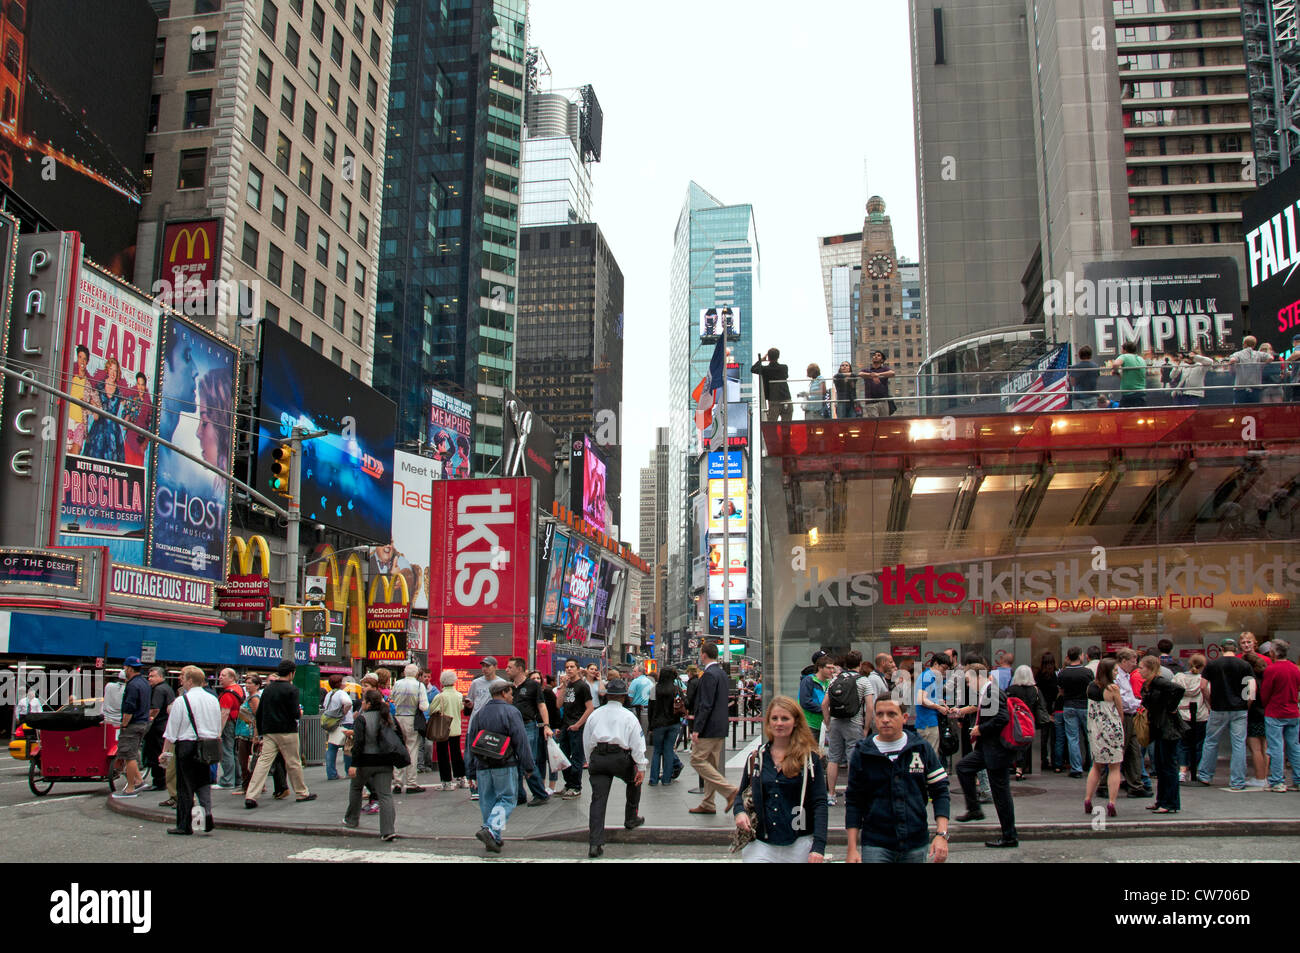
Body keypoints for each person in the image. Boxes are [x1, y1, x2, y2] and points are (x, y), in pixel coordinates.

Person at [844, 696, 950, 863]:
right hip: (876, 843)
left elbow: (940, 790)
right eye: (880, 714)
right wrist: (852, 848)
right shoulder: (862, 753)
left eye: (892, 714)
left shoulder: (920, 748)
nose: (885, 720)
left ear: (904, 717)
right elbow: (853, 801)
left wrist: (941, 834)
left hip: (915, 842)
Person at [733, 696, 828, 863]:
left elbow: (820, 803)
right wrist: (739, 812)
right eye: (774, 718)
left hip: (798, 843)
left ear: (796, 722)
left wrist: (818, 847)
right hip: (761, 844)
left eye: (785, 718)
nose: (779, 723)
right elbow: (741, 794)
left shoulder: (810, 760)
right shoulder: (756, 758)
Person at [465, 679, 534, 854]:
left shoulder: (479, 713)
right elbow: (521, 740)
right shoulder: (511, 712)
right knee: (507, 799)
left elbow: (470, 743)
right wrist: (528, 765)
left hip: (482, 764)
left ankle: (493, 836)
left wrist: (470, 770)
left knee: (487, 800)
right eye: (511, 693)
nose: (512, 697)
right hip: (505, 762)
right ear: (503, 693)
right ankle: (490, 830)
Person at [582, 678, 647, 858]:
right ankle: (631, 817)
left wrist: (591, 761)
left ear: (607, 695)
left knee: (598, 800)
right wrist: (641, 767)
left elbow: (587, 741)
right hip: (620, 758)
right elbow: (637, 744)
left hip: (598, 758)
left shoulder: (595, 714)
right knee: (634, 781)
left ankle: (595, 844)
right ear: (624, 697)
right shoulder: (629, 716)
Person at [954, 671, 1018, 848]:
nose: (968, 684)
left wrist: (980, 729)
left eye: (968, 680)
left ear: (977, 677)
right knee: (963, 767)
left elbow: (1002, 718)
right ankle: (974, 810)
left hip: (997, 751)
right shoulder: (988, 692)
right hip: (988, 750)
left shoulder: (992, 692)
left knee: (1001, 794)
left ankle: (1009, 836)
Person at [159, 665, 222, 835]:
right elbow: (217, 726)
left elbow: (172, 731)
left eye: (182, 677)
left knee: (185, 786)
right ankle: (206, 816)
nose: (180, 680)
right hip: (207, 745)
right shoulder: (213, 699)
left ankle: (184, 825)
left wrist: (165, 752)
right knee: (203, 782)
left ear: (189, 680)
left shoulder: (182, 701)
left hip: (187, 745)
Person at [244, 660, 315, 808]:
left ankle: (251, 795)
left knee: (263, 763)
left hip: (270, 731)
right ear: (291, 673)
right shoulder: (292, 689)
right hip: (288, 730)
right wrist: (300, 712)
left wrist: (260, 732)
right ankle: (301, 793)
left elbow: (260, 712)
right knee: (293, 762)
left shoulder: (268, 689)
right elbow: (295, 713)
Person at [342, 688, 400, 841]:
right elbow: (398, 737)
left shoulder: (362, 718)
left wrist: (354, 764)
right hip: (385, 761)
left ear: (368, 703)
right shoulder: (388, 717)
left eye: (364, 700)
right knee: (385, 795)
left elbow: (359, 743)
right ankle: (388, 830)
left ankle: (352, 819)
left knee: (356, 787)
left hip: (365, 761)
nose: (362, 703)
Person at [1196, 638, 1253, 791]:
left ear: (1221, 649)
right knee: (1239, 744)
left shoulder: (1213, 664)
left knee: (1211, 741)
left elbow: (1202, 686)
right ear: (1235, 649)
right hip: (1239, 709)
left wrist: (1210, 702)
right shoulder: (1245, 665)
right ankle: (1237, 781)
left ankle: (1205, 776)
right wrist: (1246, 704)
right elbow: (1251, 689)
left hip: (1218, 708)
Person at [689, 642, 738, 815]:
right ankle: (708, 803)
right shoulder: (722, 674)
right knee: (711, 764)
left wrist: (697, 728)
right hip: (720, 726)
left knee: (696, 759)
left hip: (709, 727)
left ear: (703, 655)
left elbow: (706, 704)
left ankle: (730, 790)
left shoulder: (709, 675)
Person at [821, 650, 871, 805]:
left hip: (836, 722)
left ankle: (831, 794)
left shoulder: (835, 680)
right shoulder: (863, 681)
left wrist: (828, 722)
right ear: (860, 664)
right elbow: (870, 707)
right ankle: (852, 793)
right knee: (853, 758)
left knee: (834, 758)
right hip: (854, 722)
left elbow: (824, 704)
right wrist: (866, 727)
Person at [1139, 656, 1186, 815]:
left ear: (1150, 668)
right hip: (1160, 727)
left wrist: (1171, 707)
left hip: (1167, 728)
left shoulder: (1159, 682)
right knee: (1161, 765)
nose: (1139, 670)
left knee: (1168, 766)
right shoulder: (1151, 684)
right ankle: (1162, 800)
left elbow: (1179, 689)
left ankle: (1169, 802)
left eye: (1142, 667)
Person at [506, 656, 552, 806]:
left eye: (510, 667)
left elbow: (541, 706)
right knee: (514, 761)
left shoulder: (532, 685)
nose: (507, 670)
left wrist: (546, 725)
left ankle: (540, 793)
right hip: (512, 727)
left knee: (528, 760)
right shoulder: (509, 688)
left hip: (528, 726)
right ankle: (520, 795)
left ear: (519, 669)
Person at [1083, 659, 1124, 819]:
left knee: (1096, 766)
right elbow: (1120, 711)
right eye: (1114, 670)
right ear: (1108, 671)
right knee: (1114, 767)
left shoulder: (1090, 687)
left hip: (1095, 730)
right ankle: (1112, 802)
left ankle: (1087, 799)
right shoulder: (1113, 688)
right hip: (1111, 730)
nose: (1117, 673)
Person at [1260, 640, 1300, 792]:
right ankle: (1298, 779)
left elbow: (1265, 693)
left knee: (1276, 748)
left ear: (1273, 653)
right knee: (1294, 747)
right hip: (1292, 711)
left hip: (1275, 712)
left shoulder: (1271, 670)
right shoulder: (1295, 669)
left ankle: (1278, 781)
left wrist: (1266, 705)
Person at [111, 657, 152, 798]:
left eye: (125, 668)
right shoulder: (145, 683)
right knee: (132, 753)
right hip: (143, 722)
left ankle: (130, 788)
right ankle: (139, 781)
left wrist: (124, 724)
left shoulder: (132, 685)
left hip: (133, 724)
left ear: (128, 668)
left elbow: (129, 707)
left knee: (129, 756)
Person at [1112, 649, 1151, 798]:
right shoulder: (1117, 676)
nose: (1134, 665)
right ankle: (1105, 783)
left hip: (1130, 715)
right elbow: (1122, 699)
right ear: (1123, 661)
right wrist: (1140, 703)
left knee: (1132, 751)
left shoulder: (1126, 675)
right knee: (1122, 751)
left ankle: (1135, 784)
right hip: (1124, 716)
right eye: (1132, 661)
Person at [556, 658, 594, 798]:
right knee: (564, 757)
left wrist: (578, 724)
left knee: (576, 757)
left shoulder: (583, 686)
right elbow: (558, 705)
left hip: (577, 726)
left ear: (578, 669)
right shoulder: (567, 686)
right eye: (567, 667)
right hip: (565, 725)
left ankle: (576, 786)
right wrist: (563, 687)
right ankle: (568, 784)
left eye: (572, 667)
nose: (569, 669)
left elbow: (590, 708)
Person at [390, 663, 430, 794]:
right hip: (412, 719)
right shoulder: (419, 686)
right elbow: (424, 706)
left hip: (398, 717)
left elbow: (392, 699)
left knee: (398, 748)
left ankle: (397, 782)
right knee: (412, 750)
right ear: (417, 674)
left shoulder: (397, 684)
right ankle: (411, 783)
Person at [428, 670, 466, 791]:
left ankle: (446, 781)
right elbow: (461, 708)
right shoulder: (459, 695)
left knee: (443, 754)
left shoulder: (440, 697)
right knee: (456, 754)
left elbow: (431, 711)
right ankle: (461, 778)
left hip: (442, 729)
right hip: (456, 728)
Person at [1173, 656, 1209, 783]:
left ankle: (1182, 771)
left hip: (1182, 714)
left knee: (1183, 744)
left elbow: (1173, 694)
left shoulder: (1179, 677)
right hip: (1200, 715)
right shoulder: (1203, 680)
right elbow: (1208, 694)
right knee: (1199, 744)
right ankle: (1197, 770)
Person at [648, 667, 684, 785]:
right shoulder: (676, 690)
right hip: (674, 723)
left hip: (658, 724)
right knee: (668, 750)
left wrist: (650, 726)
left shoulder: (654, 689)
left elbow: (651, 709)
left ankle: (653, 779)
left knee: (657, 751)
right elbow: (686, 703)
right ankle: (666, 779)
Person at [143, 666, 175, 792]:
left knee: (156, 754)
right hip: (164, 725)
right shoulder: (167, 688)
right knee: (162, 752)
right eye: (149, 676)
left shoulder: (159, 690)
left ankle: (159, 781)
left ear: (161, 677)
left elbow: (155, 709)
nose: (149, 678)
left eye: (153, 676)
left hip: (157, 727)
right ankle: (163, 780)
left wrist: (148, 721)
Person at [1007, 666, 1042, 780]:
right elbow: (1039, 706)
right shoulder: (1035, 690)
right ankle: (1020, 768)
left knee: (1014, 742)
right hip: (1029, 720)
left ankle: (1014, 766)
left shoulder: (1012, 689)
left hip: (1014, 720)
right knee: (1025, 744)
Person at [915, 654, 952, 757]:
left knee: (930, 754)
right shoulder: (928, 676)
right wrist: (939, 707)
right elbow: (921, 699)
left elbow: (933, 697)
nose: (944, 672)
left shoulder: (934, 677)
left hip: (930, 721)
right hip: (927, 722)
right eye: (943, 668)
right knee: (930, 756)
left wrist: (942, 704)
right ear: (935, 664)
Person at [213, 669, 244, 790]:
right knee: (234, 751)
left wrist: (219, 731)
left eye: (223, 675)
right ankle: (237, 778)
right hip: (237, 723)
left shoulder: (228, 694)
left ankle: (227, 780)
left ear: (231, 678)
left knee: (226, 751)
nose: (220, 677)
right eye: (220, 675)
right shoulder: (239, 690)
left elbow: (224, 713)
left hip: (229, 723)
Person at [322, 674, 354, 781]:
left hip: (333, 724)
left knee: (332, 748)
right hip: (344, 722)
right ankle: (348, 771)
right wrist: (344, 712)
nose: (345, 683)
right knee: (347, 748)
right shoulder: (341, 693)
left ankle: (331, 773)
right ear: (340, 683)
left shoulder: (329, 694)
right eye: (343, 681)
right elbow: (348, 702)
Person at [235, 674, 263, 794]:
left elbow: (258, 716)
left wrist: (256, 736)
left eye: (250, 683)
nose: (247, 685)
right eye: (246, 683)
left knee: (245, 760)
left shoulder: (254, 699)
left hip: (249, 734)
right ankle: (252, 784)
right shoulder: (250, 697)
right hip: (245, 732)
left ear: (257, 685)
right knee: (246, 760)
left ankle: (248, 785)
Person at [798, 654, 833, 744]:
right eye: (828, 668)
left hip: (823, 724)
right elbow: (805, 702)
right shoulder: (809, 680)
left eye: (833, 668)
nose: (831, 671)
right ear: (820, 668)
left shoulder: (829, 682)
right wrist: (825, 710)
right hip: (809, 724)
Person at [751, 347, 792, 423]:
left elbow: (753, 369)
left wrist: (761, 360)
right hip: (786, 398)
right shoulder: (784, 368)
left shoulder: (765, 369)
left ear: (768, 357)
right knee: (786, 426)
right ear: (778, 357)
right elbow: (786, 376)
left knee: (771, 425)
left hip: (773, 400)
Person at [1228, 335, 1268, 404]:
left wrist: (1232, 371)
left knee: (1240, 410)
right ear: (1254, 344)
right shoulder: (1259, 354)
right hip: (1256, 388)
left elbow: (1232, 360)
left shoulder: (1238, 354)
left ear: (1245, 344)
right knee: (1255, 410)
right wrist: (1262, 366)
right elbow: (1270, 358)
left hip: (1241, 388)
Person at [1108, 340, 1148, 408]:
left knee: (1123, 415)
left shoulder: (1124, 356)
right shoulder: (1141, 359)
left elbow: (1115, 364)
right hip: (1141, 393)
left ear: (1125, 350)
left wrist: (1115, 371)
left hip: (1129, 394)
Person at [858, 349, 895, 417]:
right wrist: (871, 375)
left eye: (878, 355)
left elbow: (892, 373)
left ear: (882, 360)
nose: (875, 356)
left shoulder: (885, 369)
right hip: (870, 401)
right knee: (874, 422)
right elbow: (860, 374)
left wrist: (878, 374)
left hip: (883, 400)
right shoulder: (867, 370)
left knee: (884, 422)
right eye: (874, 355)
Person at [1068, 345, 1103, 409]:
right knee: (1092, 418)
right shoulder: (1095, 366)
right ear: (1090, 355)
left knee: (1079, 418)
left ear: (1080, 355)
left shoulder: (1075, 367)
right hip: (1092, 396)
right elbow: (1096, 379)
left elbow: (1073, 383)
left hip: (1078, 397)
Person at [626, 663, 655, 736]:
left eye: (634, 671)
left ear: (640, 672)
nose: (633, 673)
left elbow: (630, 695)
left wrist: (631, 703)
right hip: (647, 709)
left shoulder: (635, 681)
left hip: (636, 709)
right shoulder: (650, 682)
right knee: (644, 731)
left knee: (635, 731)